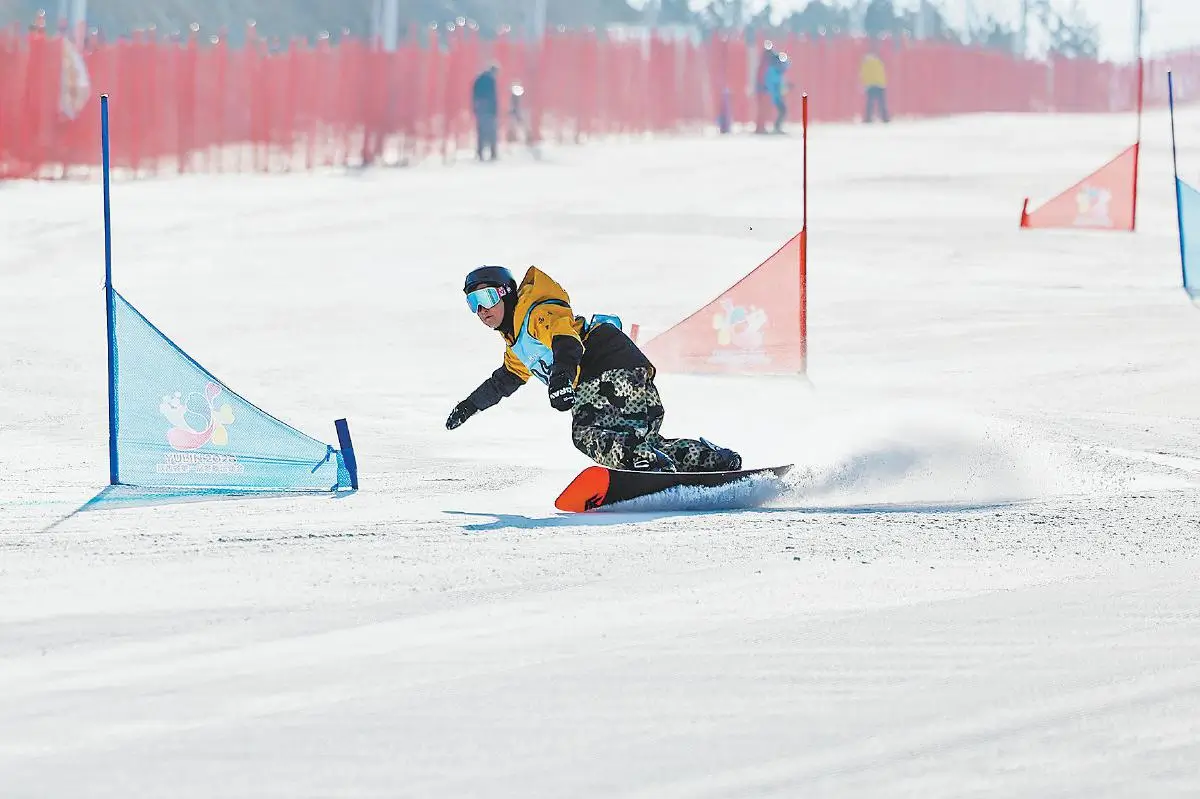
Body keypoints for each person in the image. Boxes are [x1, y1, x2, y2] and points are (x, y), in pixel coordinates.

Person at [445, 265, 743, 473]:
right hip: (628, 368)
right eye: (473, 303)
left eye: (486, 298)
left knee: (586, 433)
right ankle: (710, 460)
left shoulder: (536, 314)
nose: (481, 311)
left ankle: (648, 463)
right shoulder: (517, 348)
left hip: (606, 365)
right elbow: (503, 382)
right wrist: (469, 406)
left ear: (506, 292)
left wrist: (561, 377)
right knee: (641, 441)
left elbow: (566, 341)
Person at [471, 63, 499, 161]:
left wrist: (474, 108)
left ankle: (480, 153)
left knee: (481, 131)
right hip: (489, 109)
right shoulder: (491, 80)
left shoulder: (478, 79)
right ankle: (493, 153)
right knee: (492, 132)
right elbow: (493, 96)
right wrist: (495, 110)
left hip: (480, 108)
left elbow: (473, 94)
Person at [860, 44, 890, 123]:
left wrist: (864, 84)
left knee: (870, 103)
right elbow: (882, 73)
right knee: (881, 102)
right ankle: (884, 117)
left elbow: (864, 74)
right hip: (879, 84)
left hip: (871, 85)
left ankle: (868, 118)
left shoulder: (866, 62)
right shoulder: (878, 61)